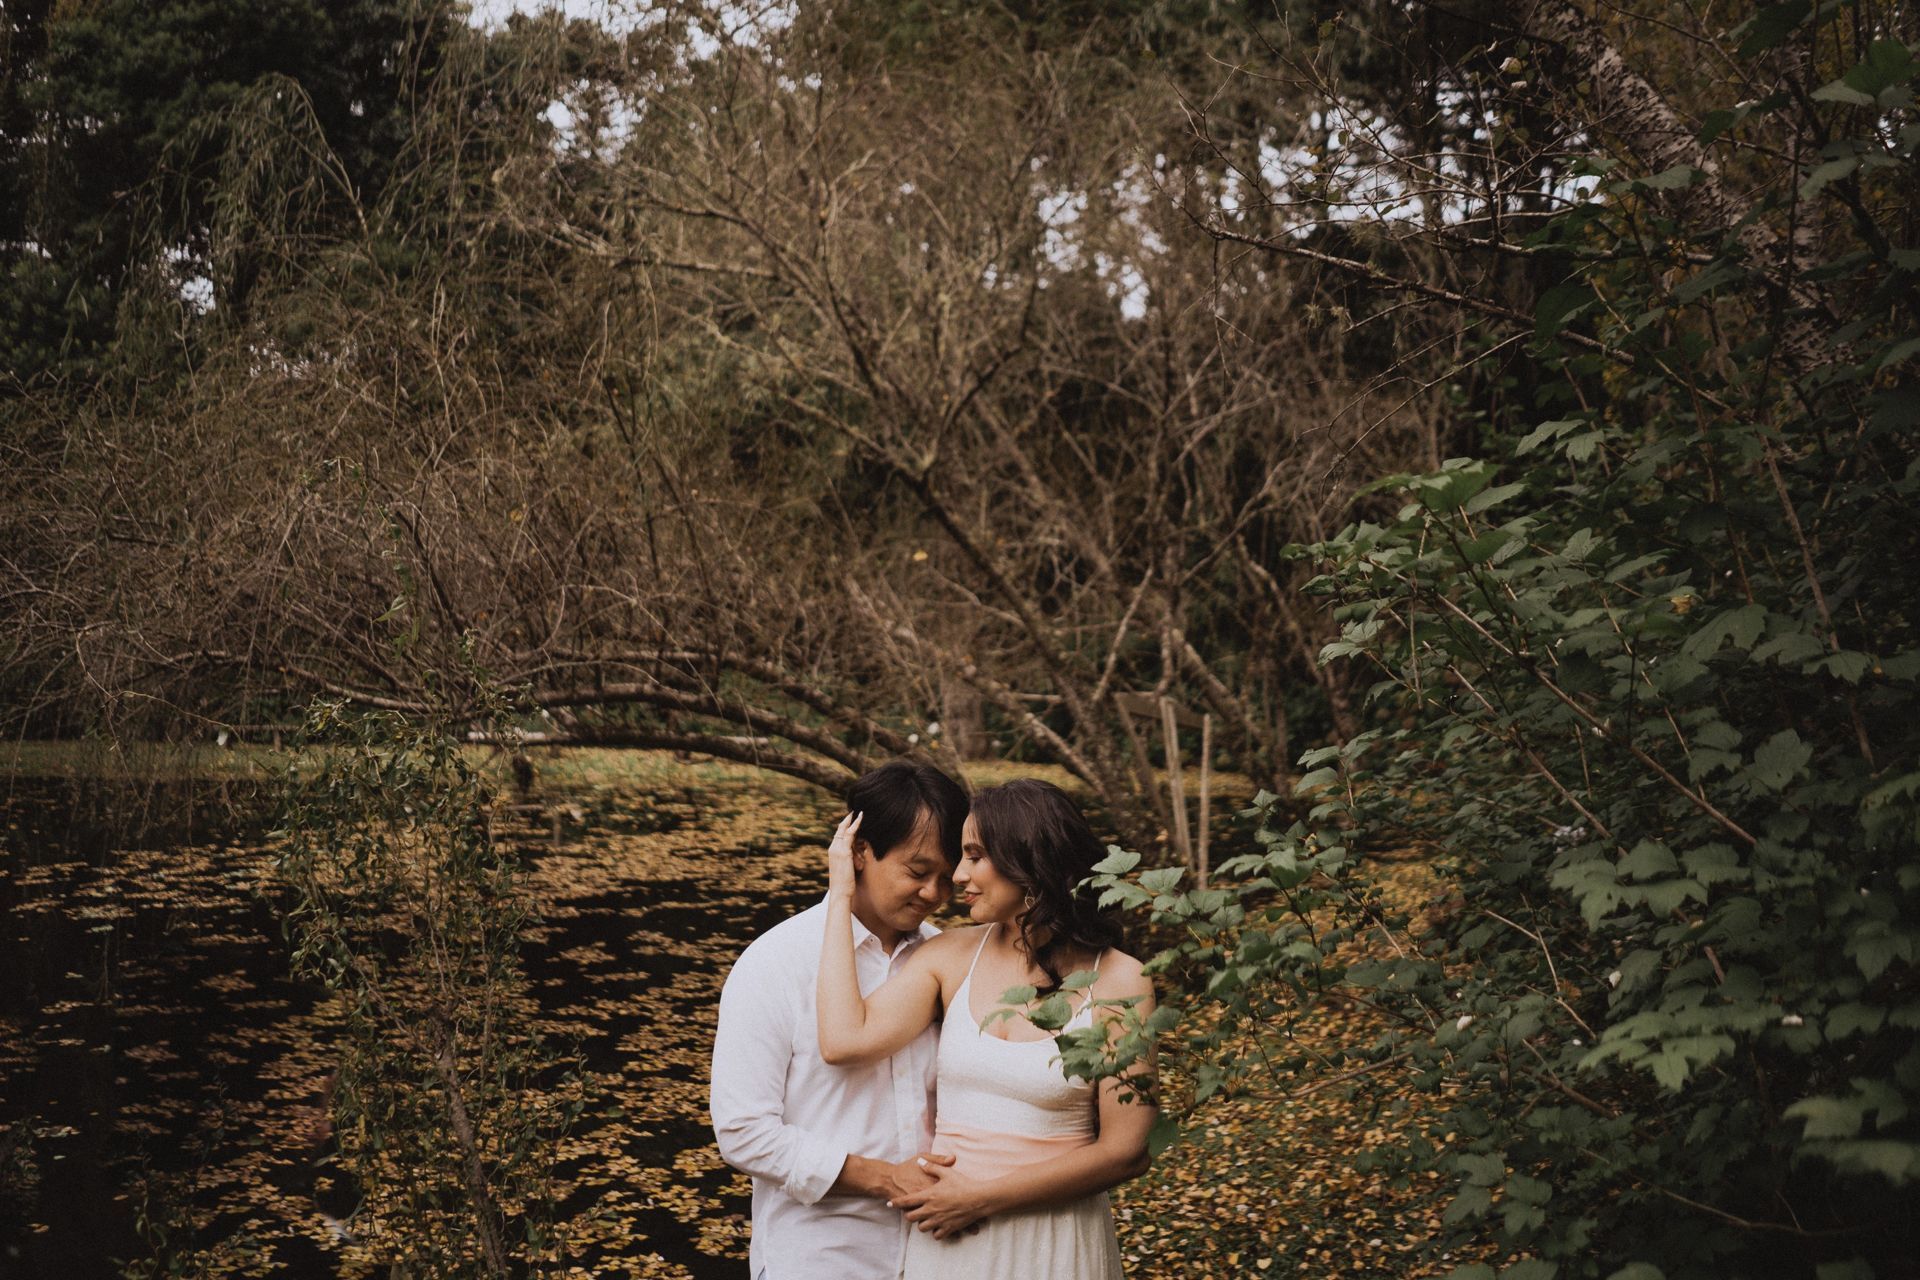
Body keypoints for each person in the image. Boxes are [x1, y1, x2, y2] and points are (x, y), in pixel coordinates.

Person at [816, 778, 1157, 1280]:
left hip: (1054, 1241)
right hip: (951, 1246)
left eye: (975, 856)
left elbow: (1125, 1152)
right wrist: (840, 895)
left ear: (1029, 861)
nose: (956, 876)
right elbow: (844, 1041)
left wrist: (980, 1199)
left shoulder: (1121, 980)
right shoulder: (950, 958)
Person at [710, 760, 971, 1280]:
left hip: (945, 1252)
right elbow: (742, 1130)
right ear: (858, 851)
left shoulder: (948, 958)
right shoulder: (775, 961)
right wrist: (882, 1179)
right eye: (918, 872)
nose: (934, 895)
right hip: (822, 1256)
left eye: (947, 877)